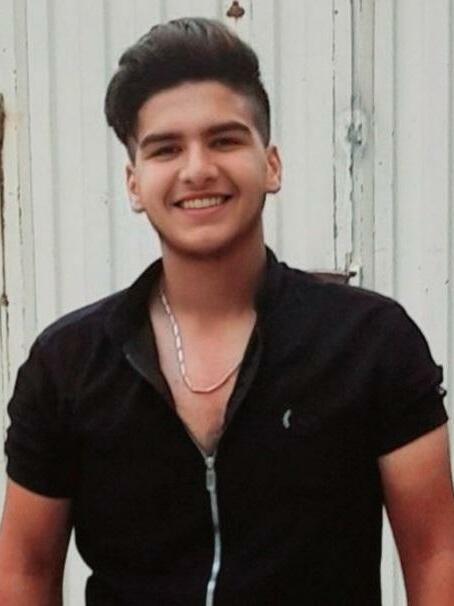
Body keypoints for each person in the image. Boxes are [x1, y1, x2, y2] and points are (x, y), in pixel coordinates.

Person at [0, 16, 453, 606]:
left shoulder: (370, 343)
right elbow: (25, 571)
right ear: (134, 184)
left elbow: (436, 555)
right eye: (166, 149)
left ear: (271, 165)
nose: (197, 169)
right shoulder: (68, 364)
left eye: (224, 140)